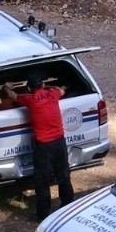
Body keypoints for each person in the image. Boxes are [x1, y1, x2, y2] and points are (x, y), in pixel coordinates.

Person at [14, 77, 73, 221]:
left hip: (44, 146)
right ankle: (68, 206)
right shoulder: (53, 94)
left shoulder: (30, 99)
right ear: (43, 85)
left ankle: (43, 213)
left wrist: (6, 87)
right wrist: (50, 86)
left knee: (42, 180)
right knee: (63, 175)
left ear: (28, 89)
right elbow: (61, 90)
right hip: (59, 142)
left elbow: (13, 96)